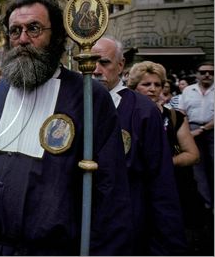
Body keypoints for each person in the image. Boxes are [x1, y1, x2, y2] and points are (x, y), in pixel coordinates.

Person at [0, 0, 133, 255]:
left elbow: (110, 187)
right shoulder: (0, 92)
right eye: (15, 31)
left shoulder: (88, 97)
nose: (23, 39)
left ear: (57, 36)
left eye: (34, 28)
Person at [91, 37, 187, 255]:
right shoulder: (73, 104)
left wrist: (168, 244)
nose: (95, 70)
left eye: (104, 62)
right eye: (89, 61)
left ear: (121, 65)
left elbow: (160, 180)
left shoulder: (143, 111)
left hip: (125, 226)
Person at [127, 60, 206, 254]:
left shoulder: (174, 117)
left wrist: (163, 163)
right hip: (138, 190)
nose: (153, 89)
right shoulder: (125, 115)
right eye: (146, 84)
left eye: (158, 84)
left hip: (175, 187)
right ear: (134, 87)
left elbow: (193, 155)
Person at [179, 63, 214, 211]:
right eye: (203, 72)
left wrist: (203, 129)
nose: (207, 75)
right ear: (197, 74)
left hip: (211, 129)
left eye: (211, 73)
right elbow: (181, 112)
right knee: (197, 169)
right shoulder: (188, 90)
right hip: (191, 129)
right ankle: (206, 204)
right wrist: (187, 132)